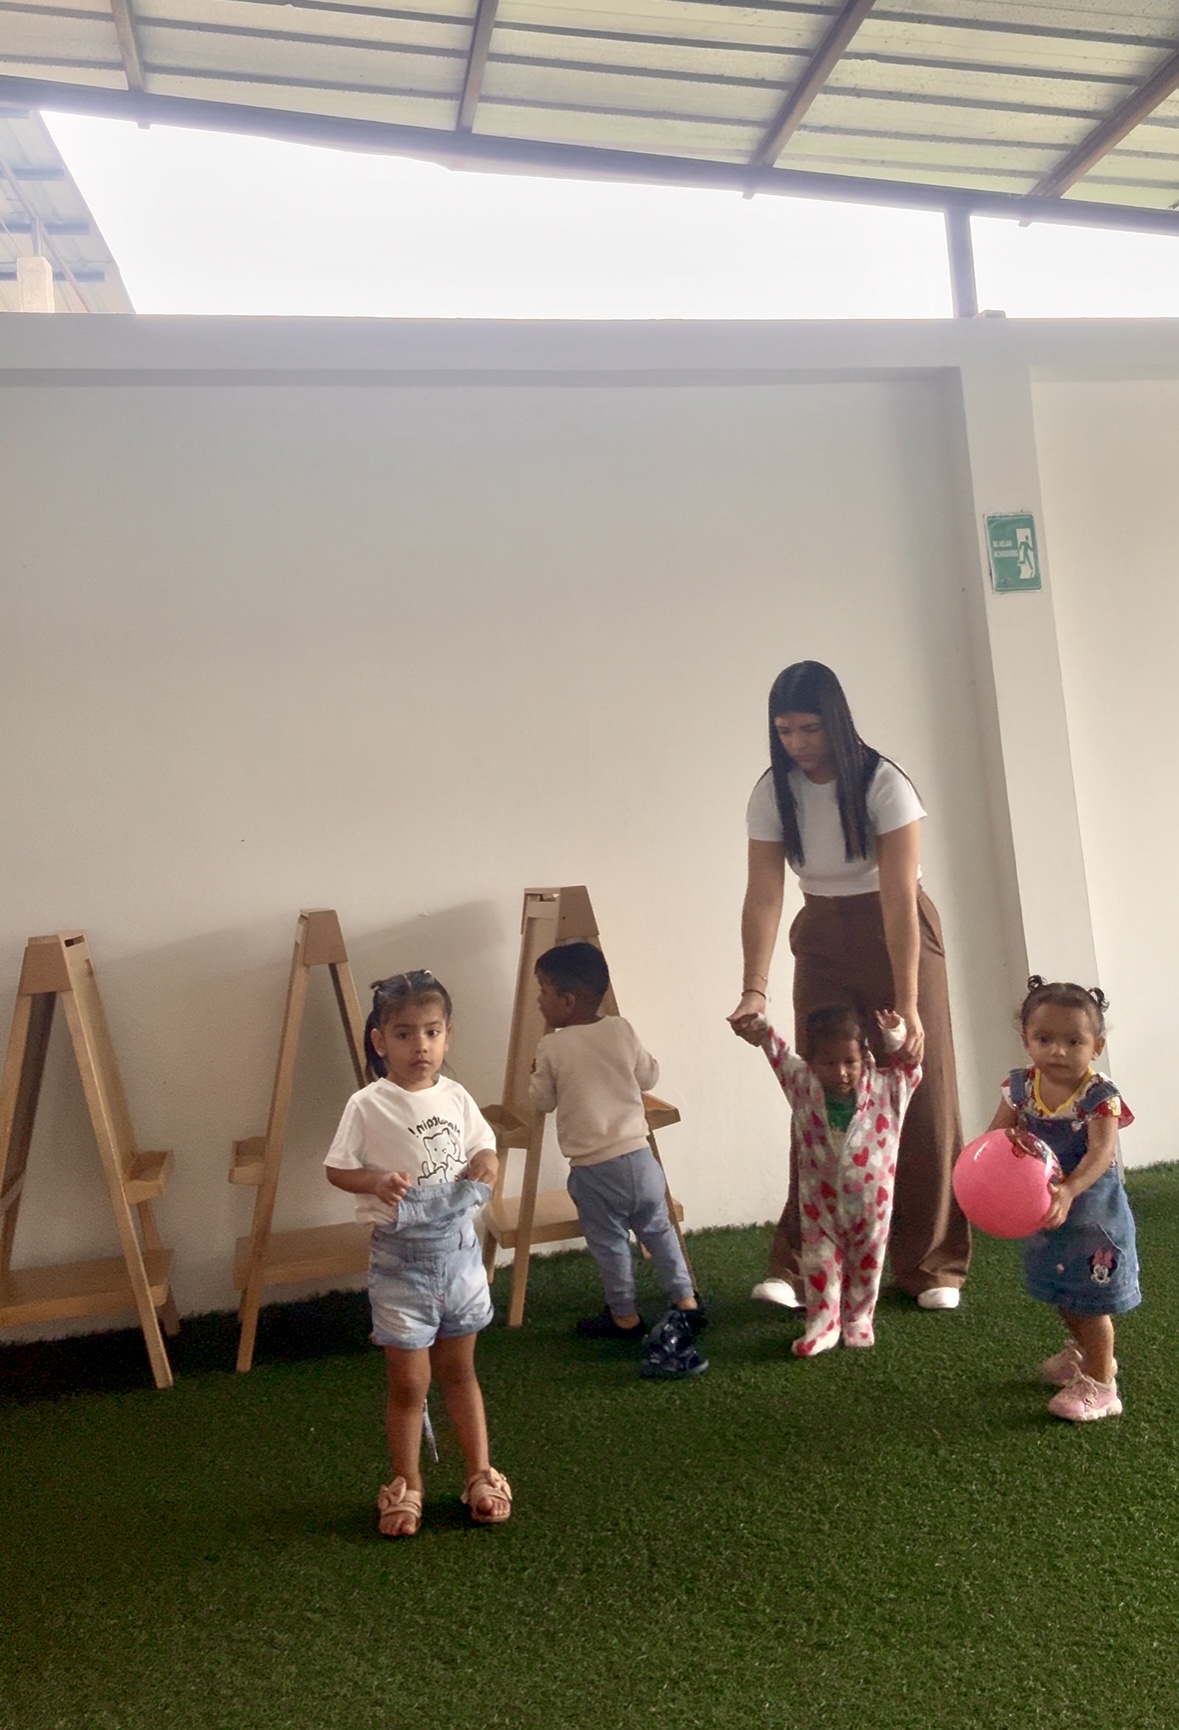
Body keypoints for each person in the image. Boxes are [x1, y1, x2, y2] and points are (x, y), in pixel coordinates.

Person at [730, 660, 969, 1310]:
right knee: (820, 1093)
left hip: (898, 931)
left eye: (809, 729)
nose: (798, 743)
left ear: (835, 722)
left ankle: (931, 1266)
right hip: (822, 932)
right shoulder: (772, 791)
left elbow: (897, 898)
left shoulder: (884, 783)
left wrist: (908, 1005)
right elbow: (763, 894)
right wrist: (754, 988)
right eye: (785, 730)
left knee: (920, 1090)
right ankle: (801, 1266)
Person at [325, 970, 512, 1537]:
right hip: (400, 1263)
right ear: (380, 1041)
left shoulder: (456, 1096)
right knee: (409, 1384)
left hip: (460, 1257)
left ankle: (480, 1474)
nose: (420, 1046)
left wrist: (487, 1163)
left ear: (447, 1036)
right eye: (404, 1034)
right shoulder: (367, 1104)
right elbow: (337, 1169)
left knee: (460, 1371)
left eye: (432, 1032)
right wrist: (374, 1182)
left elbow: (484, 1145)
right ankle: (407, 1484)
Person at [528, 941, 707, 1378]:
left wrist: (533, 1074)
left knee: (609, 1243)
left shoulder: (552, 1047)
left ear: (567, 1001)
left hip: (593, 1169)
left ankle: (624, 1315)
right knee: (659, 1229)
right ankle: (686, 1300)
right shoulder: (621, 1029)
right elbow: (648, 1075)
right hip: (640, 1159)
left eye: (543, 991)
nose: (538, 1001)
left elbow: (542, 1101)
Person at [986, 977, 1139, 1423]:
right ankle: (1083, 1355)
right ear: (1026, 1040)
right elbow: (999, 1135)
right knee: (1063, 1288)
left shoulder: (1099, 1096)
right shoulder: (1020, 1087)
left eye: (1074, 1041)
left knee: (1090, 1300)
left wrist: (1070, 1189)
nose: (1058, 1051)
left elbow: (1101, 1153)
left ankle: (1102, 1384)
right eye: (1044, 1039)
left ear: (1096, 1046)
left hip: (1091, 1211)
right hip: (1047, 1206)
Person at [733, 1004, 921, 1353]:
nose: (841, 1072)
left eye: (850, 1061)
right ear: (812, 1062)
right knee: (820, 1265)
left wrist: (895, 1037)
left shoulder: (886, 1089)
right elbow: (778, 1053)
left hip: (872, 1206)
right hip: (820, 1206)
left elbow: (910, 1070)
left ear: (864, 1057)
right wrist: (759, 1026)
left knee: (867, 1266)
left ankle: (858, 1318)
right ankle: (823, 1323)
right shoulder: (802, 1085)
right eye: (829, 1063)